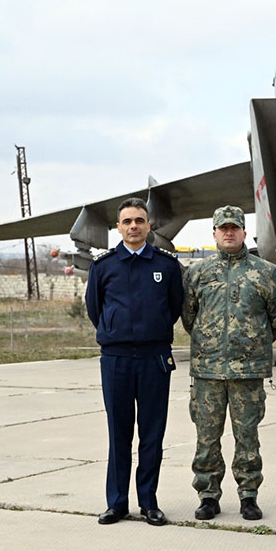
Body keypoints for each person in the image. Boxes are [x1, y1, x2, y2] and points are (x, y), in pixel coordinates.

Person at [85, 197, 184, 526]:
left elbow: (173, 309)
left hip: (155, 357)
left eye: (139, 221)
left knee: (152, 433)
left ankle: (149, 502)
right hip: (117, 358)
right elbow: (94, 310)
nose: (133, 227)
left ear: (149, 225)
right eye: (127, 222)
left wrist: (152, 331)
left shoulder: (166, 266)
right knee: (119, 433)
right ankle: (117, 503)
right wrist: (115, 330)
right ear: (118, 227)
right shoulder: (104, 266)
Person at [182, 206, 276, 521]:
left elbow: (275, 319)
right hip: (207, 371)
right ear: (213, 233)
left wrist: (250, 343)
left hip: (247, 371)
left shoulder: (266, 272)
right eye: (222, 228)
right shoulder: (197, 273)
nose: (229, 233)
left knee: (247, 437)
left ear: (243, 232)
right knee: (207, 438)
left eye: (234, 228)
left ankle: (249, 495)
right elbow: (189, 317)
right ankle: (208, 495)